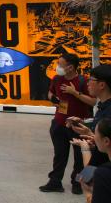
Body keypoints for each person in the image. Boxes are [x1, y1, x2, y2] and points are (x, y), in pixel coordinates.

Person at [40, 54, 95, 194]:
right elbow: (50, 93)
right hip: (59, 123)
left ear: (70, 67)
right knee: (59, 155)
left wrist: (75, 93)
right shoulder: (57, 79)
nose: (57, 67)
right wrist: (54, 99)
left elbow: (93, 102)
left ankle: (77, 183)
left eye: (60, 64)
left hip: (79, 126)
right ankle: (55, 182)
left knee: (79, 158)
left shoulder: (84, 81)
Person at [67, 64, 111, 167]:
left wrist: (89, 138)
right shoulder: (102, 106)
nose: (88, 84)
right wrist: (85, 124)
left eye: (91, 80)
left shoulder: (108, 111)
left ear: (102, 85)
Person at [72, 118, 111, 203]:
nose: (93, 137)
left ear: (106, 141)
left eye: (95, 134)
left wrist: (87, 193)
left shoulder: (103, 173)